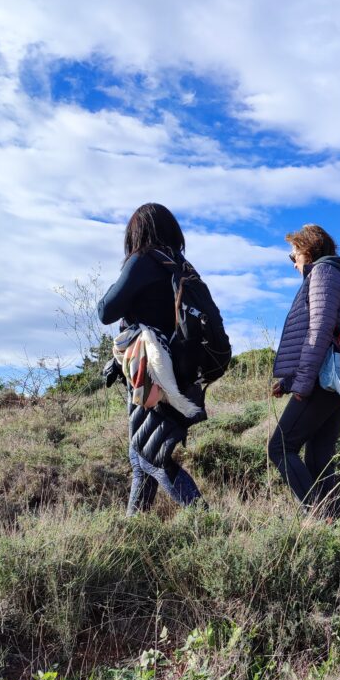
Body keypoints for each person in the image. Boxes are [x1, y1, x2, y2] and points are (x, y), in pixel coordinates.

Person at [98, 203, 205, 515]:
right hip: (181, 371)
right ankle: (134, 531)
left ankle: (208, 521)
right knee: (142, 456)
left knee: (150, 457)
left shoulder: (143, 260)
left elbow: (106, 311)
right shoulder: (181, 266)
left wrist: (121, 278)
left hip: (151, 370)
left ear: (137, 232)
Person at [268, 224, 340, 514]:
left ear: (307, 250)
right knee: (319, 459)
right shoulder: (332, 276)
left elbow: (319, 332)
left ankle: (320, 518)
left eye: (293, 254)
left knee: (280, 448)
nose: (293, 262)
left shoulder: (323, 273)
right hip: (335, 380)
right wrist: (288, 381)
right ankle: (333, 523)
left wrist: (302, 383)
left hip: (323, 380)